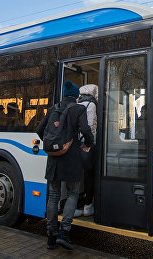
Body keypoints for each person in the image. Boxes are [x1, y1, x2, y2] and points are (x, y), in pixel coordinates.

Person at [36, 81, 93, 251]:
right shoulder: (79, 109)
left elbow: (40, 129)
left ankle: (51, 236)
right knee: (73, 193)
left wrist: (53, 145)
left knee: (54, 195)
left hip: (53, 159)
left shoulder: (53, 109)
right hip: (71, 158)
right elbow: (85, 129)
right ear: (76, 96)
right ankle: (64, 232)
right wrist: (88, 144)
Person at [75, 84, 98, 217]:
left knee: (78, 175)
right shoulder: (92, 105)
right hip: (87, 144)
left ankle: (76, 203)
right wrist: (91, 144)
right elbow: (90, 127)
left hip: (76, 144)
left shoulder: (77, 104)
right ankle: (88, 204)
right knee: (89, 174)